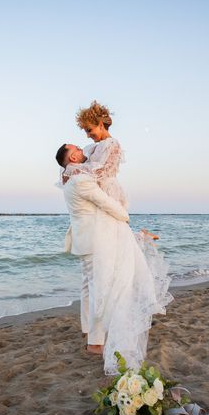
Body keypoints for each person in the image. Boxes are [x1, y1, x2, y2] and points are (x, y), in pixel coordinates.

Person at [57, 109, 173, 373]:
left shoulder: (111, 146)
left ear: (100, 123)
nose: (87, 135)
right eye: (85, 132)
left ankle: (95, 336)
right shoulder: (87, 150)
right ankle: (94, 337)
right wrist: (73, 170)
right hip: (97, 208)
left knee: (103, 275)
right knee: (97, 281)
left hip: (105, 200)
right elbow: (81, 175)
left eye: (90, 129)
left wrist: (73, 170)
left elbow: (98, 172)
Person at [55, 143, 130, 356]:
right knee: (99, 289)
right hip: (93, 240)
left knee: (88, 287)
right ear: (73, 159)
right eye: (76, 149)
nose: (81, 149)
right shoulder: (80, 180)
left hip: (83, 240)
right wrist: (125, 216)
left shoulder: (69, 180)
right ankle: (95, 343)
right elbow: (104, 201)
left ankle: (88, 331)